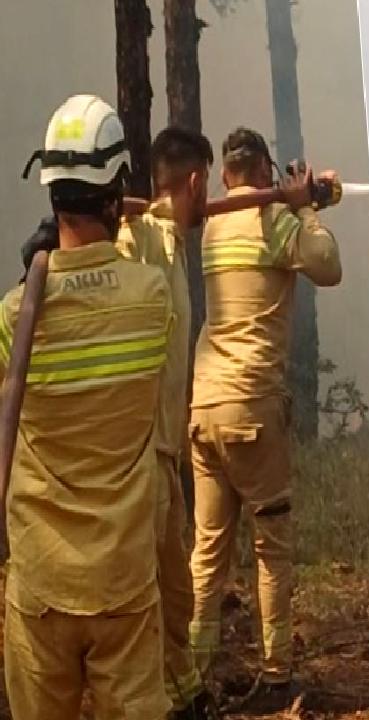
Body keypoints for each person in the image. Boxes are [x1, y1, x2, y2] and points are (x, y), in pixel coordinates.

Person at [1, 94, 171, 719]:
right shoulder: (151, 299)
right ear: (116, 189)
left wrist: (35, 276)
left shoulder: (17, 314)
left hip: (42, 582)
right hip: (123, 582)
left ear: (49, 193)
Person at [187, 126, 342, 711]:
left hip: (204, 409)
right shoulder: (273, 223)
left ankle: (194, 682)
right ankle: (277, 677)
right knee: (272, 550)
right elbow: (327, 266)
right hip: (252, 409)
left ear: (227, 174)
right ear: (263, 171)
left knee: (207, 555)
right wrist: (304, 211)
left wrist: (295, 199)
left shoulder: (214, 226)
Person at [115, 125, 219, 720]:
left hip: (166, 450)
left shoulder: (175, 244)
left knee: (175, 591)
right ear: (197, 181)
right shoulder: (143, 239)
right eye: (206, 188)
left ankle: (186, 694)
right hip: (139, 451)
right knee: (146, 591)